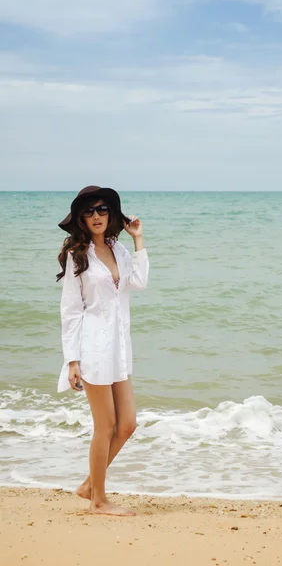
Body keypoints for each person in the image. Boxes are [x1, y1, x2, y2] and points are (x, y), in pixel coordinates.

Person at [56, 185, 149, 516]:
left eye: (102, 210)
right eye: (89, 212)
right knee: (105, 426)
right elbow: (70, 311)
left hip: (119, 349)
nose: (96, 216)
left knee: (127, 425)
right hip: (92, 349)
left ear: (111, 214)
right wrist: (72, 360)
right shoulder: (76, 256)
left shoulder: (119, 249)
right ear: (81, 218)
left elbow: (138, 283)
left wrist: (138, 239)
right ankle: (98, 500)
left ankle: (88, 485)